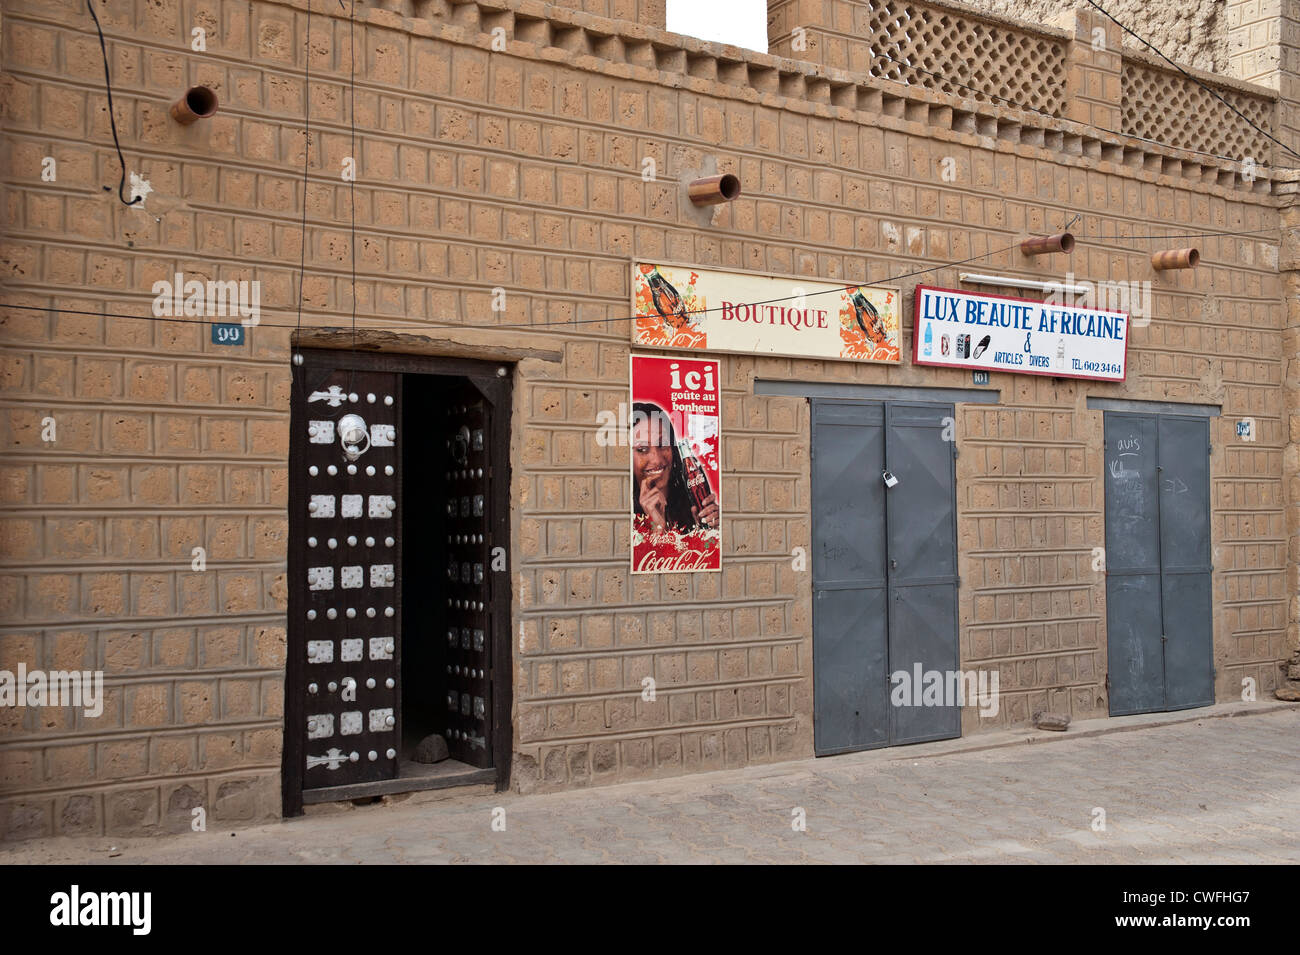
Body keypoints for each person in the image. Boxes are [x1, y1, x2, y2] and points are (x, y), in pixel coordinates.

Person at [631, 402, 719, 533]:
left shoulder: (692, 505)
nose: (657, 460)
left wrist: (709, 533)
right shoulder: (624, 517)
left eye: (663, 444)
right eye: (642, 449)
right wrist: (658, 530)